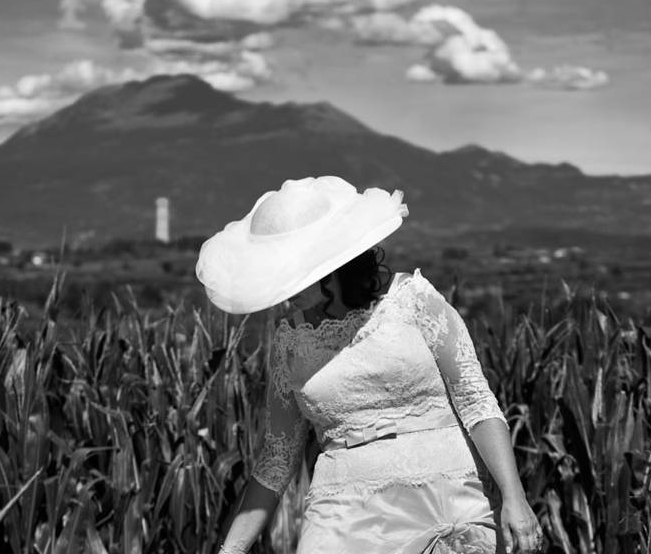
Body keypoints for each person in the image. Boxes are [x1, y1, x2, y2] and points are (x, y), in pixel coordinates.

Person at [195, 176, 543, 554]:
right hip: (340, 520)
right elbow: (277, 460)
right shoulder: (289, 341)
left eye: (290, 275)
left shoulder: (414, 300)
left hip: (447, 502)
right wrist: (229, 551)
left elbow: (477, 402)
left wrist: (515, 498)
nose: (283, 291)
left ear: (330, 266)